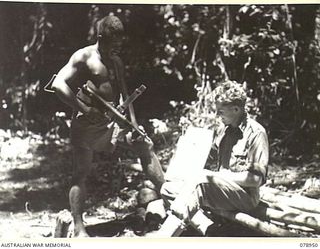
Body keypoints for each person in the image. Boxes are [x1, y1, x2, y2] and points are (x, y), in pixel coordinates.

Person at [51, 15, 164, 237]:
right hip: (88, 121)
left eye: (120, 44)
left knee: (144, 146)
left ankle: (171, 200)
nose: (117, 48)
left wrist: (132, 123)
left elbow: (124, 92)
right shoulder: (83, 57)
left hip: (115, 120)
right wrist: (85, 110)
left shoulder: (116, 61)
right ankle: (79, 227)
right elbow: (57, 84)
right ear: (101, 38)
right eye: (113, 43)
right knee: (81, 172)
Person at [153, 80, 269, 237]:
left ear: (236, 109)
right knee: (168, 189)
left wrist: (219, 176)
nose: (217, 115)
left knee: (200, 183)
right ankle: (209, 229)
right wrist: (189, 137)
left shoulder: (256, 133)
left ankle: (163, 237)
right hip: (221, 191)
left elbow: (255, 180)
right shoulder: (225, 130)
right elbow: (208, 156)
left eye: (220, 111)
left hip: (245, 198)